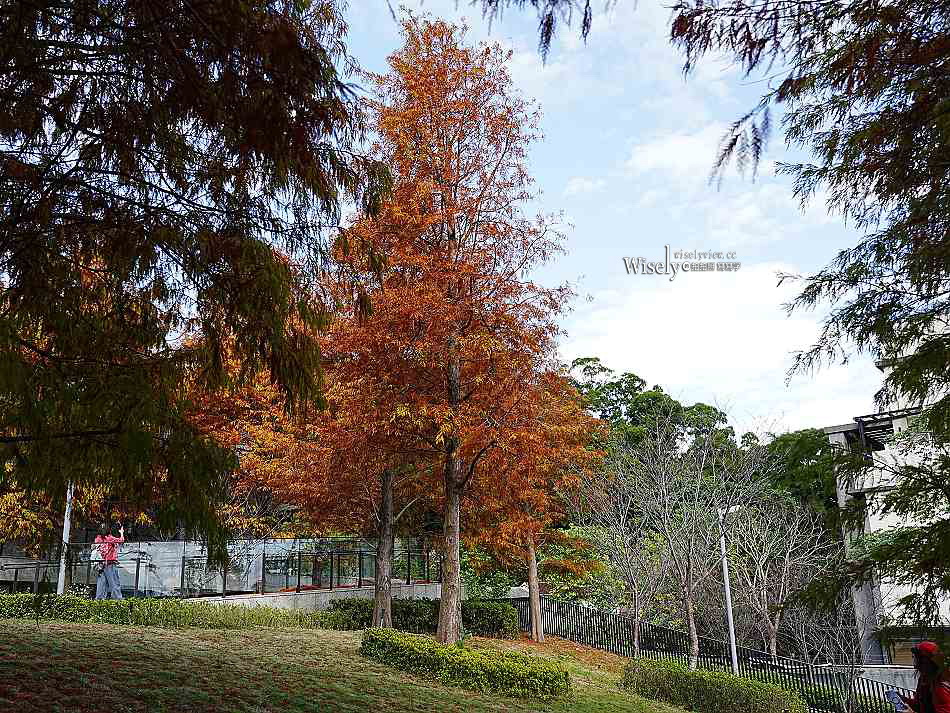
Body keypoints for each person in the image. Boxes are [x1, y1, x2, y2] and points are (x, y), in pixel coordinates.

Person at [900, 641, 950, 713]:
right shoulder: (923, 680)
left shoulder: (941, 686)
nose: (916, 665)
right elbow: (919, 705)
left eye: (918, 660)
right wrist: (904, 700)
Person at [94, 522, 125, 600]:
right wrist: (121, 533)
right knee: (114, 583)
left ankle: (99, 600)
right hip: (110, 563)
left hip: (101, 564)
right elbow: (121, 540)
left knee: (101, 584)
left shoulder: (97, 539)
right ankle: (118, 600)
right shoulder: (110, 538)